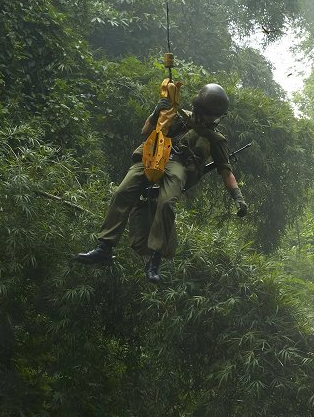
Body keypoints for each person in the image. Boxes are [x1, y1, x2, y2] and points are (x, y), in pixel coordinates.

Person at [75, 83, 248, 282]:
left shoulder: (216, 139)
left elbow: (226, 173)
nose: (212, 119)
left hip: (178, 166)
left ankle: (155, 260)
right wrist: (157, 111)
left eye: (215, 116)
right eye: (210, 114)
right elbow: (146, 131)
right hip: (154, 156)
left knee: (166, 204)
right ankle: (104, 247)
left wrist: (238, 199)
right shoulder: (179, 116)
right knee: (122, 192)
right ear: (200, 109)